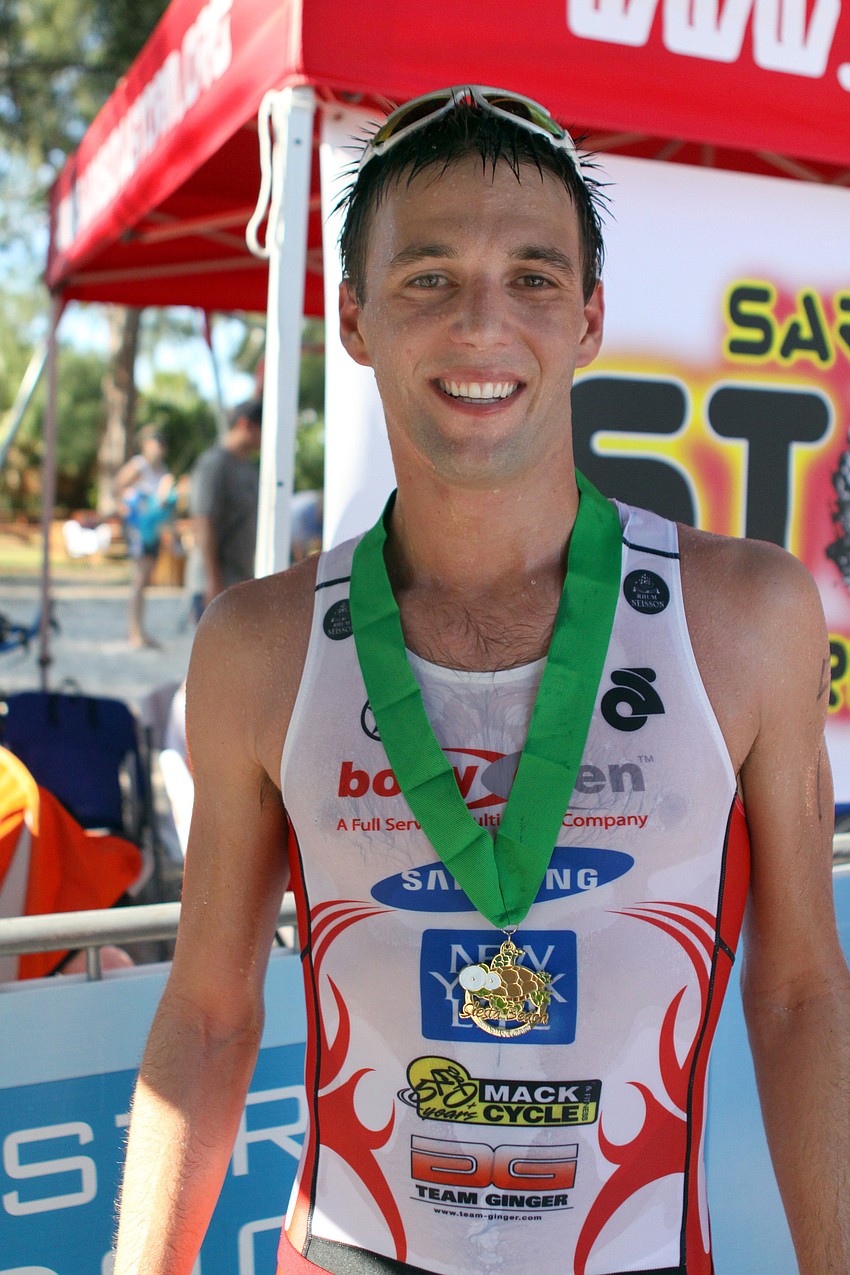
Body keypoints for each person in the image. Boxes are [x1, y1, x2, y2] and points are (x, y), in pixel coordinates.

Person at [114, 87, 850, 1275]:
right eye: (428, 278)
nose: (480, 324)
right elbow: (207, 1011)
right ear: (353, 319)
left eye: (533, 277)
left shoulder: (747, 616)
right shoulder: (258, 643)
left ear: (590, 318)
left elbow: (803, 994)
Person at [186, 397, 263, 617]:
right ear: (245, 424)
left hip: (239, 582)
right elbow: (203, 522)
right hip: (215, 585)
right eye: (261, 429)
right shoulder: (214, 463)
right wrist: (213, 582)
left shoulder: (247, 467)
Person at [114, 424, 177, 648]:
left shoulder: (162, 470)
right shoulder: (139, 466)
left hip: (152, 529)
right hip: (139, 528)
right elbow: (118, 487)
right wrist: (127, 508)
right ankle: (134, 632)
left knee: (145, 580)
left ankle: (139, 630)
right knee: (139, 580)